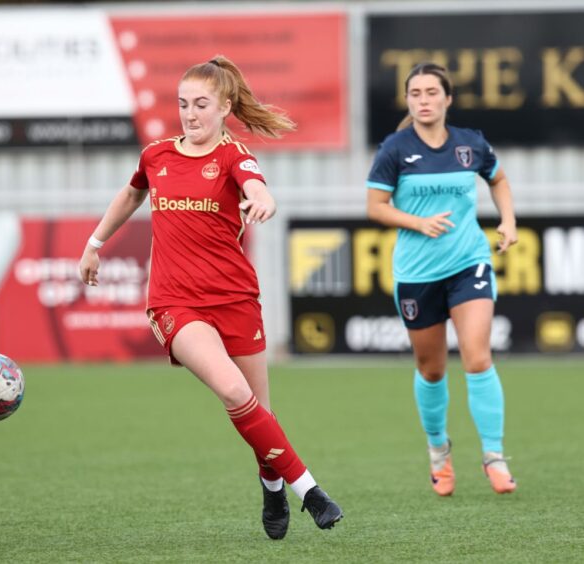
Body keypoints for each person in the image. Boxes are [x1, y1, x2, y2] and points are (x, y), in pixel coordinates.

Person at [79, 55, 343, 540]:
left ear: (225, 107)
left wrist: (262, 200)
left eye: (201, 104)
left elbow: (259, 189)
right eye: (183, 104)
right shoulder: (156, 155)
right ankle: (310, 491)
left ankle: (270, 486)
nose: (190, 114)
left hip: (237, 300)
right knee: (234, 393)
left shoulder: (234, 156)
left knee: (260, 413)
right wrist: (95, 244)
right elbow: (131, 195)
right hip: (175, 304)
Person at [366, 62, 518, 497]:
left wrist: (507, 220)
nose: (424, 100)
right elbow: (375, 206)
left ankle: (494, 456)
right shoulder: (395, 148)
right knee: (431, 370)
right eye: (415, 93)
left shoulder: (470, 143)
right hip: (416, 275)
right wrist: (417, 222)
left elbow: (499, 178)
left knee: (477, 358)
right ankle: (439, 452)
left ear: (447, 98)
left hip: (469, 262)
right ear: (409, 100)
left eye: (432, 92)